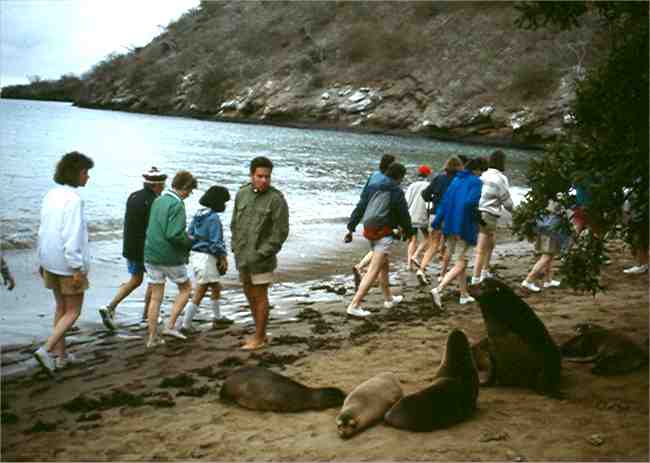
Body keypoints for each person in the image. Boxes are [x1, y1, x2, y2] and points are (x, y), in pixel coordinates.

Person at [33, 151, 94, 375]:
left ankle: (61, 357)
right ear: (76, 173)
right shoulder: (74, 200)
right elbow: (72, 235)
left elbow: (43, 229)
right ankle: (46, 350)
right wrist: (77, 267)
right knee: (73, 311)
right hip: (67, 263)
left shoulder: (51, 195)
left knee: (60, 307)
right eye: (85, 173)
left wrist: (41, 258)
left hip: (49, 259)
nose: (87, 177)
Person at [231, 156, 289, 350]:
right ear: (252, 175)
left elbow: (280, 232)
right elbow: (234, 224)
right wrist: (235, 248)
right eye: (260, 176)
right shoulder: (242, 194)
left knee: (260, 295)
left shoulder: (276, 199)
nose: (264, 180)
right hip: (242, 256)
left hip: (262, 259)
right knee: (249, 294)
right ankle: (259, 333)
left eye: (267, 177)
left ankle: (259, 337)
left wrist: (262, 253)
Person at [98, 167, 167, 330]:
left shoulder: (133, 196)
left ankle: (110, 307)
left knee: (135, 280)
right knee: (154, 281)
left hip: (130, 247)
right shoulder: (155, 201)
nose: (163, 187)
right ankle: (147, 315)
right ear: (156, 186)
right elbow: (154, 228)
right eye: (162, 185)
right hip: (146, 248)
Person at [344, 162, 412, 317]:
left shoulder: (373, 186)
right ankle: (354, 305)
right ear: (400, 177)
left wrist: (351, 227)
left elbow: (360, 206)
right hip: (384, 233)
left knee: (384, 266)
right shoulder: (396, 191)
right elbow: (403, 214)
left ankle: (389, 299)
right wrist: (409, 232)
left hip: (369, 230)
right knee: (374, 270)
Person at [143, 170, 197, 347]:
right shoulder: (177, 204)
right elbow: (174, 234)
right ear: (184, 187)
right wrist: (189, 241)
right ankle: (170, 325)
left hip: (151, 253)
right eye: (189, 191)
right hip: (169, 256)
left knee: (156, 297)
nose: (189, 195)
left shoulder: (158, 200)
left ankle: (152, 338)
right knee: (186, 288)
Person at [430, 157, 483, 309]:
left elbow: (445, 203)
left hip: (449, 226)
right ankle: (438, 289)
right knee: (462, 262)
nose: (481, 174)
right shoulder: (476, 182)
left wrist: (436, 222)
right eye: (481, 171)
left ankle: (464, 294)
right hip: (464, 228)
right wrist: (475, 219)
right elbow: (470, 203)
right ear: (476, 170)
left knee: (459, 260)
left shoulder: (456, 180)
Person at [182, 185, 232, 331]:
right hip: (207, 257)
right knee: (201, 289)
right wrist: (223, 258)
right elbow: (216, 242)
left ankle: (217, 317)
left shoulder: (198, 214)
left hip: (196, 255)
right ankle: (186, 324)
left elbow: (189, 234)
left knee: (215, 286)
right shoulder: (213, 218)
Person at [416, 156, 463, 285]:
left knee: (433, 244)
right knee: (449, 245)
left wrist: (433, 200)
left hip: (435, 214)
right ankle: (442, 274)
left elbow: (424, 194)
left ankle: (421, 268)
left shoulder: (438, 178)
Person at [352, 154, 396, 289]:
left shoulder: (373, 175)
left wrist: (353, 222)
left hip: (368, 215)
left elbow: (363, 196)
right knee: (380, 249)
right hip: (381, 219)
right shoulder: (387, 182)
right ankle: (363, 270)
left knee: (379, 251)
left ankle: (386, 292)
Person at [471, 150, 514, 284]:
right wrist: (516, 213)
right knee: (482, 248)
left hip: (475, 211)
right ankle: (476, 278)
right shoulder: (501, 178)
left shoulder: (483, 175)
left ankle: (485, 271)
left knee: (491, 242)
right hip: (488, 214)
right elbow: (506, 201)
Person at [521, 200, 569, 291]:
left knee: (550, 256)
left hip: (544, 228)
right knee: (546, 256)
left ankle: (548, 280)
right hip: (551, 230)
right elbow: (558, 211)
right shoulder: (556, 198)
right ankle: (528, 280)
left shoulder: (545, 197)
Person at [405, 164, 432, 271]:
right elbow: (430, 202)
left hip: (410, 215)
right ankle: (415, 255)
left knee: (412, 239)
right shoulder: (429, 185)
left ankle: (409, 264)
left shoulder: (412, 185)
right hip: (422, 215)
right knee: (427, 238)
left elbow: (406, 202)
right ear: (428, 174)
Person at [622, 186, 649, 275]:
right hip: (640, 218)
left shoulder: (631, 191)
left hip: (638, 219)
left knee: (639, 242)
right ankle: (642, 263)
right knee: (641, 242)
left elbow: (626, 209)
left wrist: (626, 220)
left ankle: (641, 264)